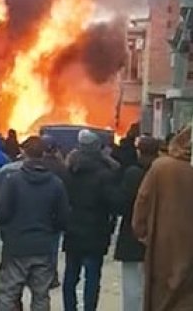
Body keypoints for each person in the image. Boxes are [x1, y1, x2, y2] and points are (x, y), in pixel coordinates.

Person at [133, 126, 193, 311]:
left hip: (162, 242)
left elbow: (143, 200)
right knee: (188, 293)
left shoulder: (161, 166)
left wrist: (142, 232)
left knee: (161, 293)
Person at [0, 136, 69, 311]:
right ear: (43, 154)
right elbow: (64, 218)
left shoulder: (12, 180)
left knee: (8, 294)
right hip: (43, 246)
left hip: (16, 246)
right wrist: (51, 229)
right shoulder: (55, 183)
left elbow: (1, 214)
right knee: (41, 295)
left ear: (23, 153)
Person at [61, 129, 117, 311]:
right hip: (96, 232)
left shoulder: (69, 171)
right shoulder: (105, 173)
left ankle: (70, 308)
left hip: (73, 231)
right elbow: (113, 203)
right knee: (92, 277)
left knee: (70, 276)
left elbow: (62, 200)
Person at [112, 136, 159, 311]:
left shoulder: (133, 174)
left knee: (132, 285)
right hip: (157, 236)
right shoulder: (160, 172)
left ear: (139, 151)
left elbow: (122, 203)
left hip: (132, 237)